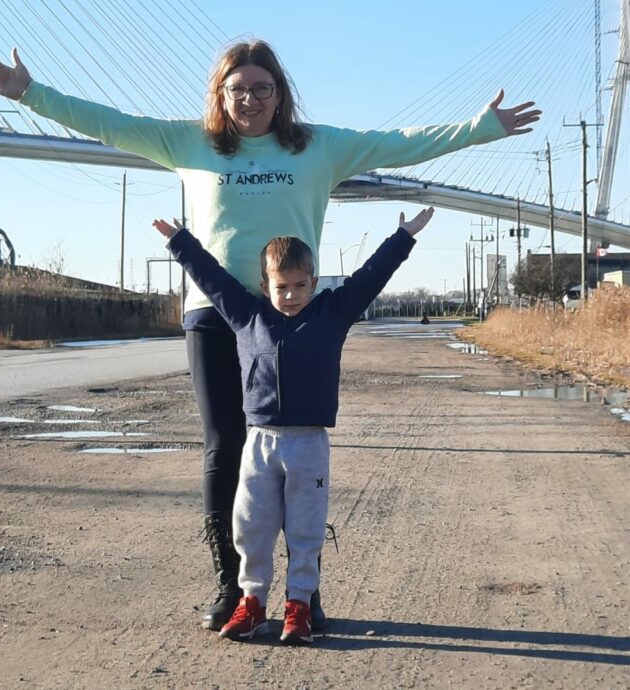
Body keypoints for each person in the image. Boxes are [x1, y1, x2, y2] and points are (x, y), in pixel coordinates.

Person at [0, 42, 542, 631]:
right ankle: (233, 586)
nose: (250, 100)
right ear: (220, 96)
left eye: (262, 88)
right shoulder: (188, 143)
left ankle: (303, 593)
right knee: (225, 446)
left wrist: (482, 128)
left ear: (280, 93)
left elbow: (401, 142)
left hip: (291, 315)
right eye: (238, 90)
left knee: (297, 459)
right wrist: (30, 93)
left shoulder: (318, 146)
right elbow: (111, 125)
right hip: (215, 310)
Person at [152, 206, 435, 644]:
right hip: (260, 443)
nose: (291, 295)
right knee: (251, 525)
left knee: (305, 528)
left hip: (309, 444)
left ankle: (299, 606)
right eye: (282, 287)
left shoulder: (331, 314)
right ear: (266, 286)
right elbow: (212, 278)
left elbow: (370, 277)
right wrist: (180, 242)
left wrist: (403, 237)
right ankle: (252, 604)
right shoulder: (247, 316)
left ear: (315, 283)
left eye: (301, 286)